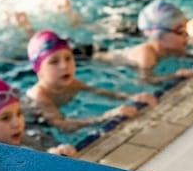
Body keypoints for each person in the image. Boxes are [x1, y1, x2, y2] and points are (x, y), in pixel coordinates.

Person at [24, 30, 157, 131]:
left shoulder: (73, 84)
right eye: (54, 62)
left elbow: (101, 92)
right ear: (38, 70)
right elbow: (64, 125)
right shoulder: (40, 96)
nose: (64, 66)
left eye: (68, 58)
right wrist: (105, 117)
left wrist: (132, 97)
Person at [0, 75, 76, 157]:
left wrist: (59, 153)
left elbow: (46, 151)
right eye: (5, 118)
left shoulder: (21, 136)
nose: (17, 123)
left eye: (19, 113)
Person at [96, 0, 193, 81]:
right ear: (160, 37)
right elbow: (145, 80)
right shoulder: (146, 54)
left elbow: (186, 54)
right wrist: (174, 75)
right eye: (180, 31)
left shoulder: (169, 46)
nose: (187, 35)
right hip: (97, 57)